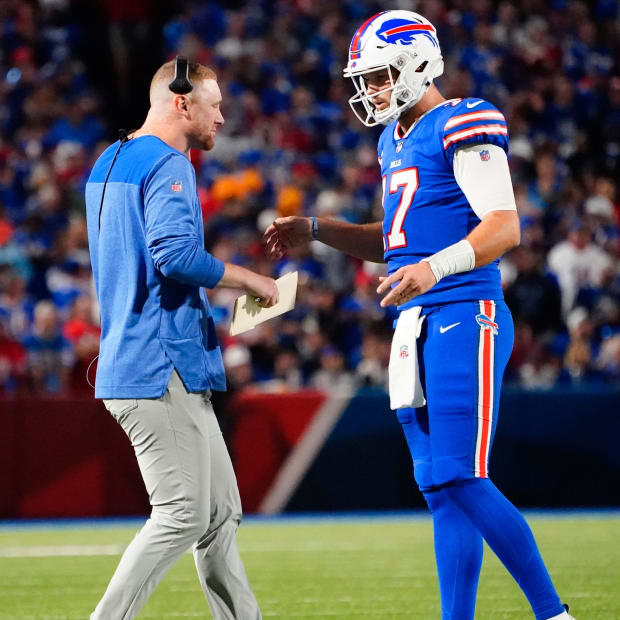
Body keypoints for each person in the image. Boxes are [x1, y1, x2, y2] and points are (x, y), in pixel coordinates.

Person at [265, 10, 575, 620]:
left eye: (380, 76)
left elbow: (504, 227)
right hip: (415, 322)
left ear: (418, 61)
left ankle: (554, 615)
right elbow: (398, 238)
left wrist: (433, 270)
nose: (372, 90)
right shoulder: (393, 139)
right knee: (439, 489)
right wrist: (318, 230)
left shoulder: (464, 118)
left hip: (465, 309)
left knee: (460, 474)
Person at [85, 57, 277, 620]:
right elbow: (174, 256)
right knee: (184, 513)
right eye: (215, 105)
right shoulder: (170, 163)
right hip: (156, 364)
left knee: (219, 515)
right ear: (182, 101)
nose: (222, 117)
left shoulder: (108, 159)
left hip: (136, 357)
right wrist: (253, 280)